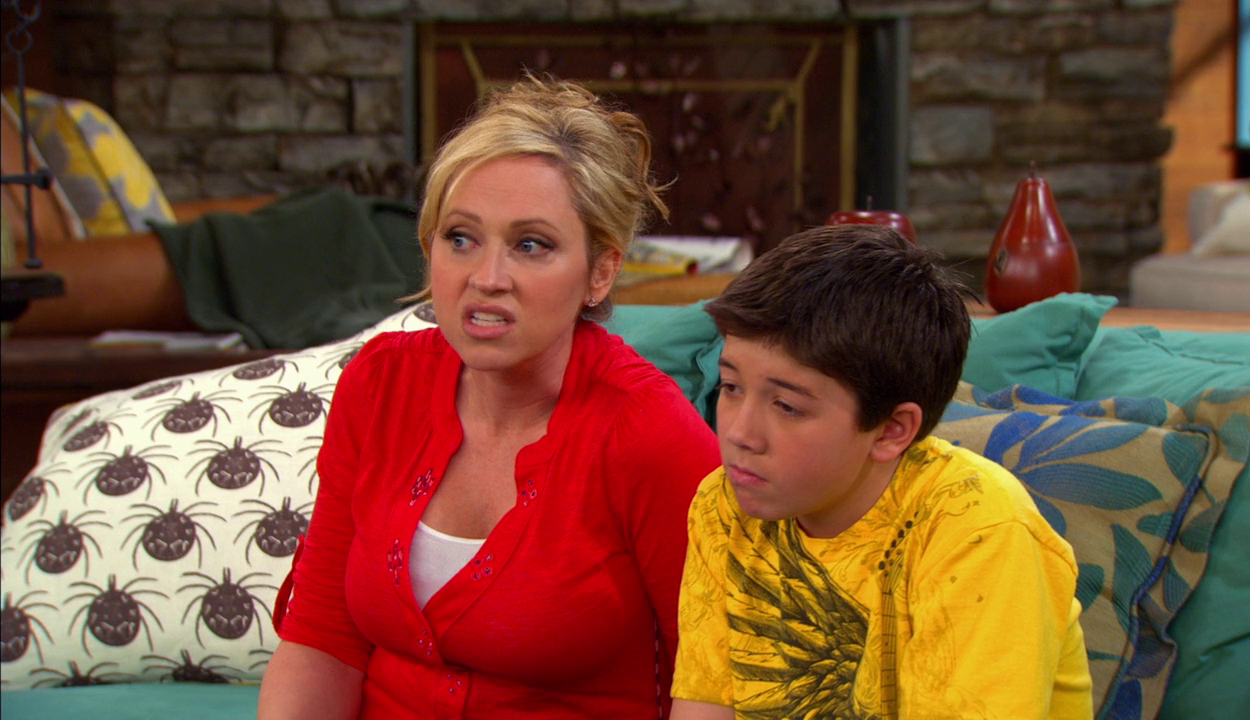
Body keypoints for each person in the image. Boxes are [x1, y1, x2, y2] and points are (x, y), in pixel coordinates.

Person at [258, 75, 721, 719]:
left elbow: (711, 681)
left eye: (531, 245)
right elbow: (322, 635)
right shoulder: (380, 383)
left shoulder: (649, 433)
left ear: (601, 271)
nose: (487, 277)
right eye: (461, 238)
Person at [670, 224, 1093, 719]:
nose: (740, 433)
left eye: (786, 406)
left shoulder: (978, 529)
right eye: (731, 387)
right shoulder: (723, 504)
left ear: (892, 430)